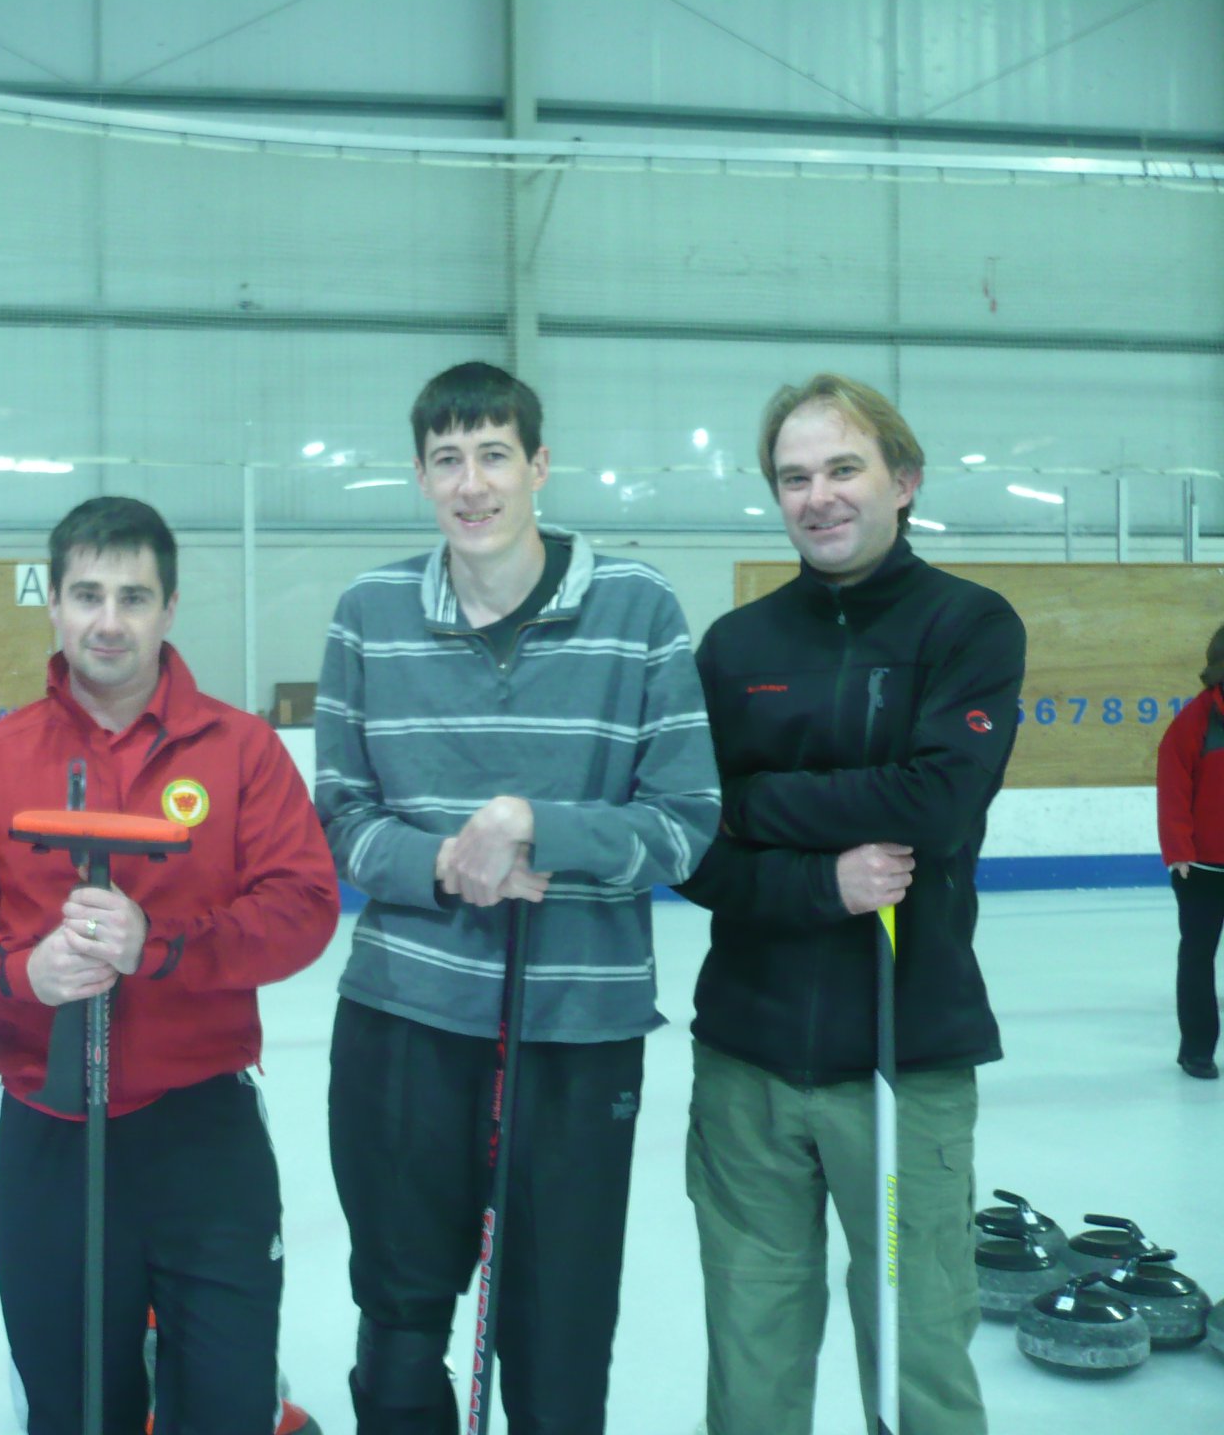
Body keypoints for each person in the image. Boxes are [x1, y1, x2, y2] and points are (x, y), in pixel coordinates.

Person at [315, 360, 720, 1433]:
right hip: (404, 1020)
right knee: (399, 1326)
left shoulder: (638, 609)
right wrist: (446, 862)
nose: (472, 482)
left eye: (494, 453)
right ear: (420, 476)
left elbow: (685, 823)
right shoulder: (369, 615)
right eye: (447, 459)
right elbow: (342, 818)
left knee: (559, 1333)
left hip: (577, 1031)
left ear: (539, 465)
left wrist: (543, 826)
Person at [0, 496, 339, 1434]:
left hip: (203, 1136)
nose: (109, 621)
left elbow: (303, 909)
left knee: (224, 1403)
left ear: (170, 609)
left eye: (134, 597)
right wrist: (27, 974)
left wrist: (163, 947)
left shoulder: (242, 752)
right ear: (53, 604)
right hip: (50, 1135)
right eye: (87, 594)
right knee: (73, 1407)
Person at [676, 373, 1026, 1435]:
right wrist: (822, 880)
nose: (817, 495)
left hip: (906, 1056)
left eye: (842, 468)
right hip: (749, 1059)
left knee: (917, 1357)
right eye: (793, 476)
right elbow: (693, 844)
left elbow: (940, 798)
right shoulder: (736, 650)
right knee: (753, 1363)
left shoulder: (968, 626)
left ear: (903, 481)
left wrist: (762, 803)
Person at [1154, 621, 1224, 1080]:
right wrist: (1178, 848)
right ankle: (1196, 1049)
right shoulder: (1196, 721)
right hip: (1200, 869)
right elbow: (1174, 787)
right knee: (1198, 957)